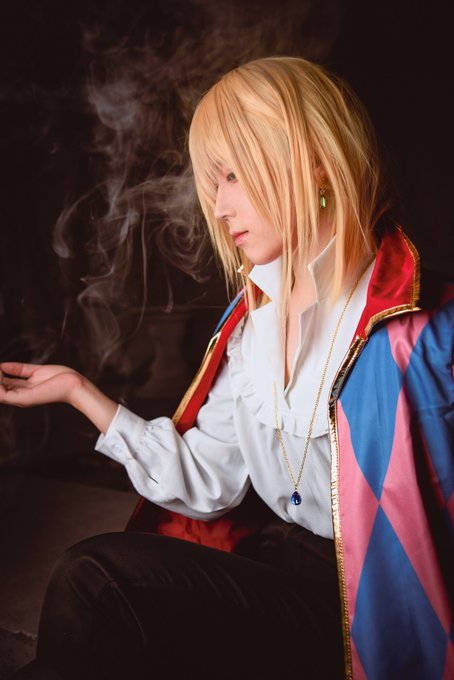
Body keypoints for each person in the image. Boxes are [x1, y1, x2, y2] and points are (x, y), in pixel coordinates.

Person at [1, 57, 452, 680]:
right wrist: (80, 393)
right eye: (214, 182)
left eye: (233, 175)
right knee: (93, 593)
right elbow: (208, 481)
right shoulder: (249, 329)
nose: (217, 207)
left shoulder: (424, 335)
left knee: (95, 583)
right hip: (275, 578)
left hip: (372, 616)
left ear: (314, 163)